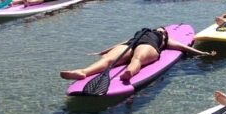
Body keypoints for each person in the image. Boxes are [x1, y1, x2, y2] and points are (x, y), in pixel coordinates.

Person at [60, 27, 216, 83]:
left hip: (134, 44)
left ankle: (84, 72)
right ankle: (129, 72)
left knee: (112, 59)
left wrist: (202, 53)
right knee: (134, 59)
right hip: (141, 46)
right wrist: (103, 51)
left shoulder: (162, 37)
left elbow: (184, 47)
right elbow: (184, 47)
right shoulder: (162, 37)